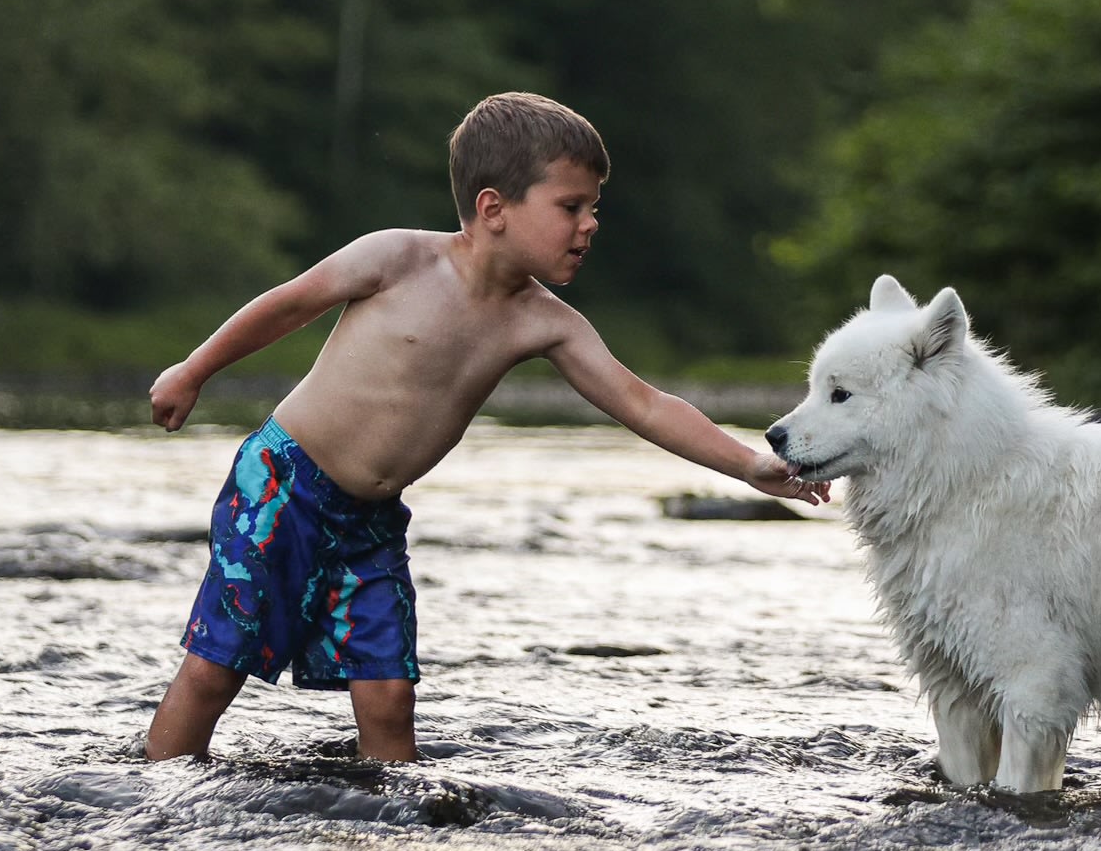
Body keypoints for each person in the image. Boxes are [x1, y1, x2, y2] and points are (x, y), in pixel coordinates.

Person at [144, 90, 825, 763]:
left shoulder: (544, 321)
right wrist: (193, 370)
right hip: (282, 487)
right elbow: (288, 306)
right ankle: (152, 796)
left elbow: (641, 402)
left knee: (387, 697)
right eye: (570, 207)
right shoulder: (397, 259)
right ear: (494, 208)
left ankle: (385, 834)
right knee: (214, 671)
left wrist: (746, 464)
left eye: (593, 208)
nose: (589, 225)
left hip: (370, 521)